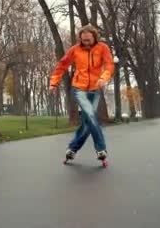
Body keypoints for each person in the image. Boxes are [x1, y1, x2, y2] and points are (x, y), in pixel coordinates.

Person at [49, 24, 115, 162]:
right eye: (83, 40)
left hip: (95, 89)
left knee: (87, 123)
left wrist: (104, 78)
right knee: (91, 116)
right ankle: (101, 149)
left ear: (94, 37)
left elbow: (109, 64)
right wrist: (54, 82)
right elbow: (62, 65)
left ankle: (72, 149)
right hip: (79, 88)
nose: (85, 42)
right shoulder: (75, 50)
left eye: (88, 40)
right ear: (80, 38)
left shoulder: (103, 48)